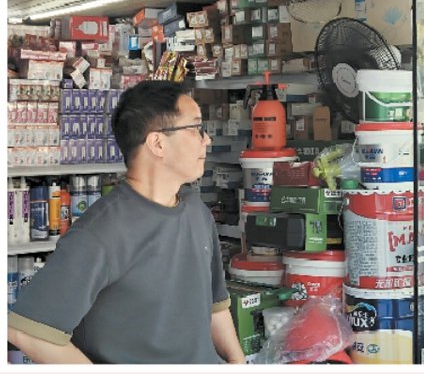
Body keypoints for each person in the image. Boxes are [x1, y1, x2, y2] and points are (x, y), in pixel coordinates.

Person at [8, 80, 246, 364]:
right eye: (196, 128)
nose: (206, 140)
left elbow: (215, 305)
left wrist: (237, 362)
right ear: (158, 143)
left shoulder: (197, 212)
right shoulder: (101, 232)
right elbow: (29, 332)